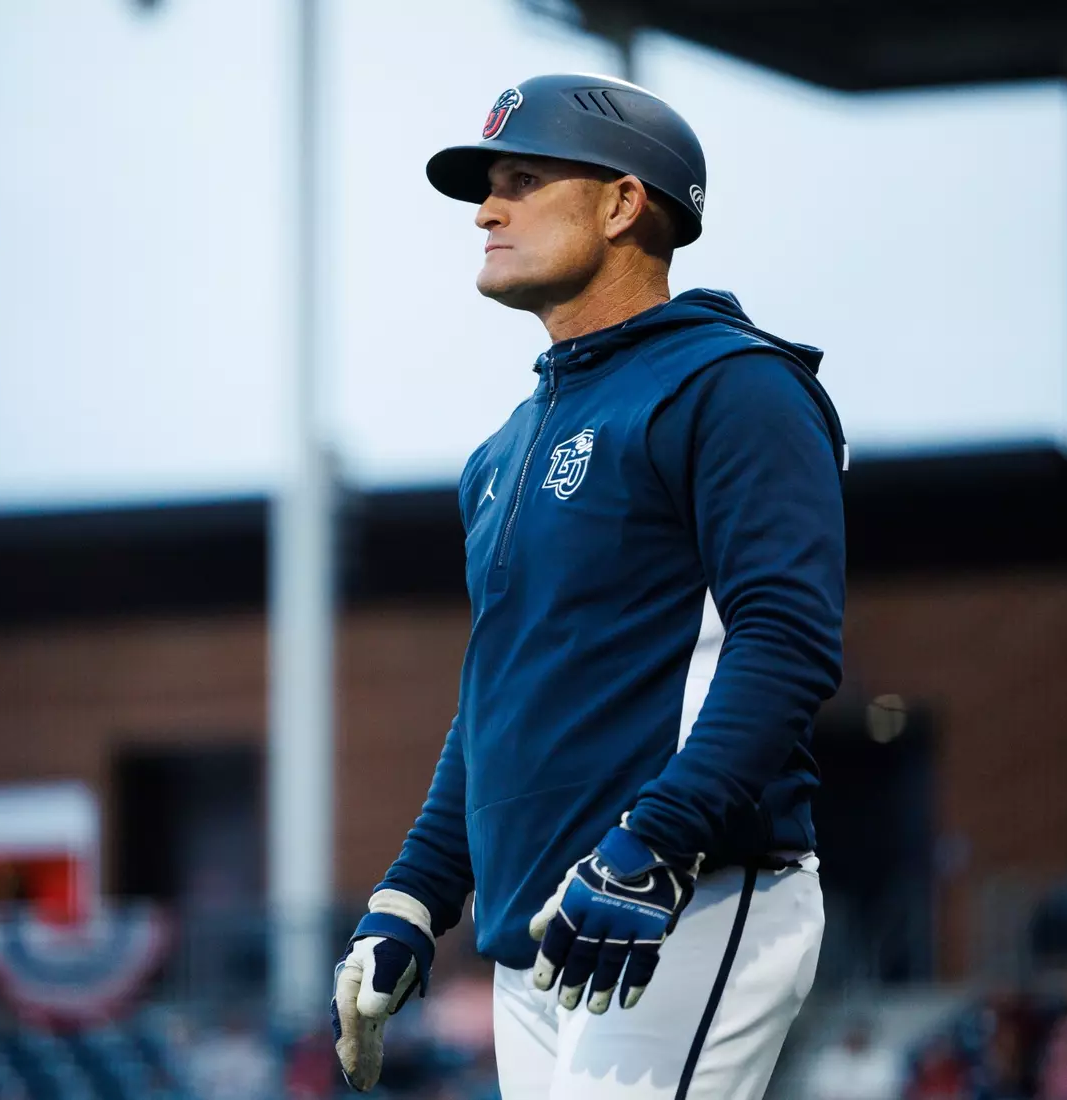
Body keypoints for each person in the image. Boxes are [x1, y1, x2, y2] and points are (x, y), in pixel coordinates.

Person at [330, 73, 847, 1100]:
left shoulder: (732, 384)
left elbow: (786, 637)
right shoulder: (502, 448)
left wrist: (654, 844)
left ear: (624, 204)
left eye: (522, 179)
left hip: (686, 893)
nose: (485, 208)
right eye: (489, 186)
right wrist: (413, 892)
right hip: (541, 931)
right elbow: (499, 696)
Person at [805, 1018, 903, 1100]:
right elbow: (820, 1089)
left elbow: (882, 1092)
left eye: (860, 1034)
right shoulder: (829, 1057)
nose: (856, 1038)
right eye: (853, 1034)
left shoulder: (881, 1059)